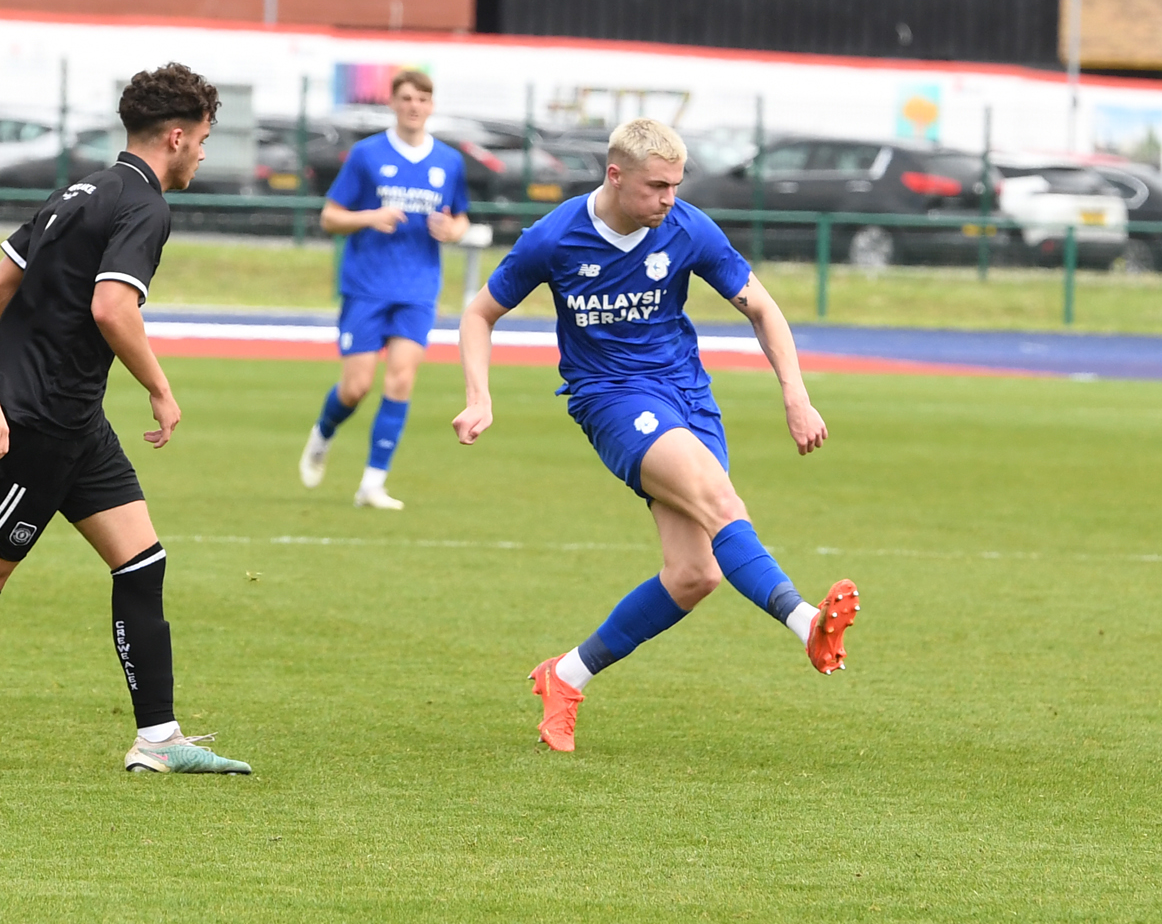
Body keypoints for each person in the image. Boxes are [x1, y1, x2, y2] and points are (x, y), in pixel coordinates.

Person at [451, 117, 858, 753]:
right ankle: (806, 622)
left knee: (695, 574)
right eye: (657, 187)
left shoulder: (687, 226)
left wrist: (795, 395)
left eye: (676, 185)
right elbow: (479, 314)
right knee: (724, 507)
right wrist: (480, 396)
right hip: (612, 401)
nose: (669, 200)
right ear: (615, 176)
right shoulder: (555, 237)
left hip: (689, 400)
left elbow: (761, 305)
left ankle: (565, 675)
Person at [0, 64, 251, 774]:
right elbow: (114, 306)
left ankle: (158, 739)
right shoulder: (143, 205)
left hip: (77, 423)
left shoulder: (79, 190)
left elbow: (4, 280)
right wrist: (160, 387)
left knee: (142, 562)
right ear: (176, 137)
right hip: (39, 423)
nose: (203, 152)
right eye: (202, 139)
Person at [297, 69, 470, 509]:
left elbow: (462, 217)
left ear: (431, 106)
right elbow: (330, 216)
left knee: (401, 379)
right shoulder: (367, 155)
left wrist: (452, 230)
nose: (414, 106)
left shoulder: (449, 162)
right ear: (393, 103)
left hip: (418, 288)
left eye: (423, 99)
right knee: (356, 387)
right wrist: (370, 217)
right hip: (367, 286)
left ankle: (372, 484)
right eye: (407, 98)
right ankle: (323, 433)